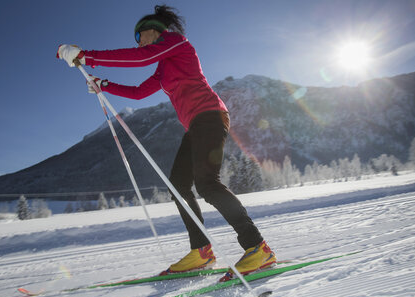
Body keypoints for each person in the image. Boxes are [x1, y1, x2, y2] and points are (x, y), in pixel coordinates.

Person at [57, 5, 276, 280]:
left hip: (210, 115)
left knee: (207, 184)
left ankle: (257, 247)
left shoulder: (176, 43)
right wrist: (105, 85)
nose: (140, 43)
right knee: (178, 185)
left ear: (153, 30)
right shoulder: (164, 66)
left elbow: (138, 59)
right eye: (139, 40)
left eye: (141, 37)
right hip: (196, 125)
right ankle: (201, 251)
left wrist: (86, 56)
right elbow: (139, 93)